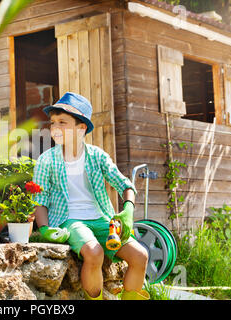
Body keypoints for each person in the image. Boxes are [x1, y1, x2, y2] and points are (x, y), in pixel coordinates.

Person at [32, 92, 149, 300]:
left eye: (63, 122)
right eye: (53, 123)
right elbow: (39, 199)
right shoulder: (46, 160)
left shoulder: (97, 156)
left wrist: (128, 209)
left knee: (140, 256)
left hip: (102, 219)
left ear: (81, 128)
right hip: (70, 220)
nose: (55, 128)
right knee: (94, 253)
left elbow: (124, 184)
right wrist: (44, 228)